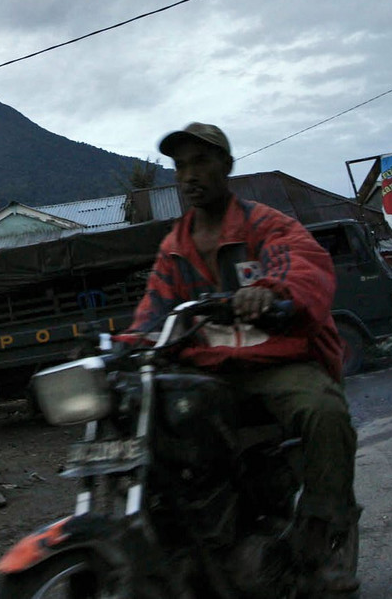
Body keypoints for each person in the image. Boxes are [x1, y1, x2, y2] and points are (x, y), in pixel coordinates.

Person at [127, 122, 360, 593]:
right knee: (147, 423)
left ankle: (324, 540)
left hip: (275, 361)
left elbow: (302, 267)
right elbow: (151, 313)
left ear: (227, 167)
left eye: (201, 162)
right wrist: (120, 347)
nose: (189, 175)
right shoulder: (175, 249)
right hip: (209, 371)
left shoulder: (266, 224)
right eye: (180, 166)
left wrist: (269, 292)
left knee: (325, 412)